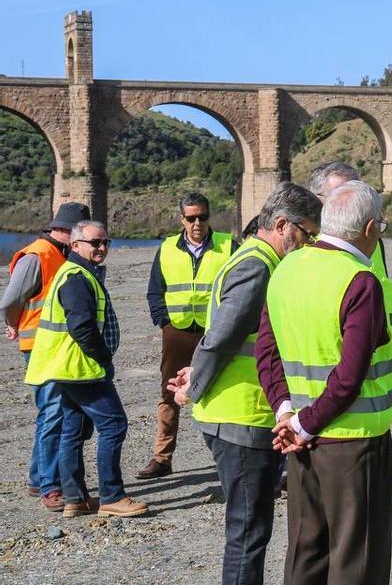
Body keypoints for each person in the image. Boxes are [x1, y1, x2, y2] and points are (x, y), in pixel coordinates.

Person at [167, 182, 322, 585]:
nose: (308, 243)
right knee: (249, 532)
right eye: (307, 233)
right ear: (283, 224)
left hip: (245, 411)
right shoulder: (259, 265)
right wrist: (194, 385)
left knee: (251, 528)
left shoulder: (252, 258)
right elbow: (223, 337)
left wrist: (195, 373)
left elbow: (222, 332)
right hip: (240, 414)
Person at [256, 180, 392, 585]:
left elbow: (267, 351)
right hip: (353, 440)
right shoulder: (360, 279)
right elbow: (350, 376)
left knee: (306, 550)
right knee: (358, 558)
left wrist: (287, 413)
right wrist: (302, 425)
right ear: (370, 229)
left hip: (300, 440)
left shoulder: (287, 268)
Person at [25, 220, 147, 518]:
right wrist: (103, 356)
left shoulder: (76, 272)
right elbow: (81, 327)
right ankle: (112, 496)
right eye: (96, 242)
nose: (102, 247)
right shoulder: (77, 277)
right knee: (114, 425)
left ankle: (75, 499)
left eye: (106, 242)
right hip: (80, 367)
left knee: (73, 430)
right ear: (75, 245)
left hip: (66, 366)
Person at [140, 192, 235, 479]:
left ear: (209, 216)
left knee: (222, 391)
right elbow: (155, 290)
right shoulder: (167, 248)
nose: (197, 223)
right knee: (169, 392)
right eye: (191, 217)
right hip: (177, 332)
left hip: (215, 332)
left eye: (203, 217)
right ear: (182, 218)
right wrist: (164, 322)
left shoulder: (229, 246)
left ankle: (228, 458)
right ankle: (162, 457)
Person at [3, 201, 89, 511]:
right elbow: (10, 300)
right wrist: (13, 324)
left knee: (56, 413)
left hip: (58, 348)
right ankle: (49, 486)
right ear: (67, 231)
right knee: (53, 413)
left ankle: (40, 478)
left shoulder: (62, 255)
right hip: (39, 348)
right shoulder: (38, 255)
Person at [308, 161, 392, 319]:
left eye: (356, 194)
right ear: (316, 199)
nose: (353, 203)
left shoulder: (373, 239)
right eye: (340, 196)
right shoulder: (305, 244)